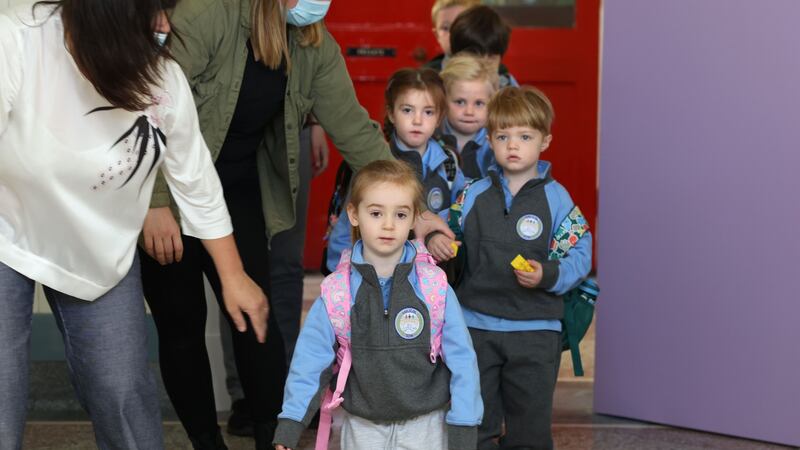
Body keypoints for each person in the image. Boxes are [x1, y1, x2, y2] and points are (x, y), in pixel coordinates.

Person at [0, 1, 268, 449]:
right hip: (7, 227)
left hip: (99, 246)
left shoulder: (161, 79)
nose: (165, 25)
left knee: (120, 389)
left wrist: (234, 275)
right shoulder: (20, 36)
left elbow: (196, 181)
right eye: (152, 12)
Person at [138, 0, 397, 448]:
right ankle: (206, 442)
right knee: (180, 323)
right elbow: (149, 102)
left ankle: (272, 439)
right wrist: (154, 203)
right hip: (171, 188)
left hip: (237, 189)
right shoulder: (208, 15)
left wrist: (411, 202)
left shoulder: (313, 41)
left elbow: (354, 128)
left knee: (255, 319)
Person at [273, 160, 482, 450]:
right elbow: (309, 362)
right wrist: (291, 424)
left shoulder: (434, 287)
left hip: (427, 426)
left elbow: (463, 361)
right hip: (362, 427)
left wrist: (464, 426)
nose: (388, 224)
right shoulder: (338, 292)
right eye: (375, 213)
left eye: (400, 214)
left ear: (413, 220)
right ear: (354, 214)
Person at [427, 86, 592, 450]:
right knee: (474, 423)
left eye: (525, 136)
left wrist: (547, 274)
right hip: (475, 329)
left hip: (535, 333)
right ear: (489, 140)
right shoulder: (472, 195)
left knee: (529, 431)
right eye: (503, 136)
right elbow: (443, 229)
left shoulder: (557, 199)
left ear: (545, 141)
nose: (513, 145)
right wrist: (435, 240)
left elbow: (579, 254)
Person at [325, 68, 465, 273]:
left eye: (428, 112)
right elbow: (348, 226)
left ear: (439, 117)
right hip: (379, 276)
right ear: (391, 113)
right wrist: (338, 275)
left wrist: (440, 238)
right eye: (407, 110)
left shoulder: (448, 163)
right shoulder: (374, 161)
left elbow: (459, 214)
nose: (417, 120)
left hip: (432, 279)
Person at [425, 5, 519, 89]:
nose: (484, 65)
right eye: (476, 57)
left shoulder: (506, 84)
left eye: (492, 58)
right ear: (457, 58)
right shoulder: (438, 86)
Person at [438, 54, 500, 180]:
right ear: (443, 99)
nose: (469, 112)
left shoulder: (498, 143)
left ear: (492, 104)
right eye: (460, 102)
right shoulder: (430, 136)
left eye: (479, 103)